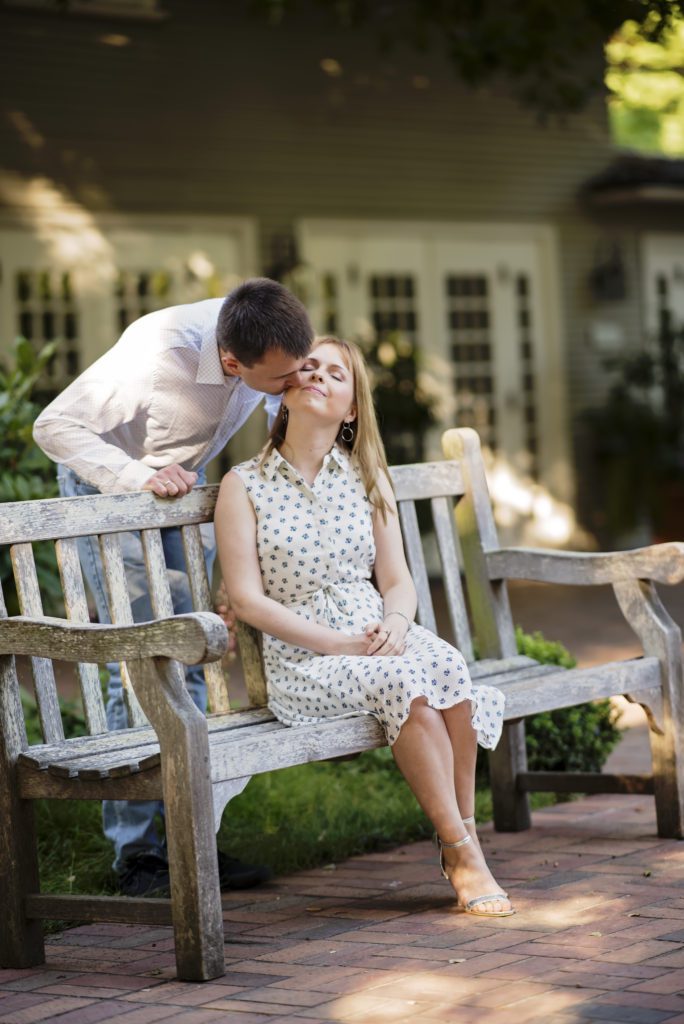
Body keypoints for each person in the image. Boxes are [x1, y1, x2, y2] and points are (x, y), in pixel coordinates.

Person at [33, 277, 314, 897]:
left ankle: (189, 838)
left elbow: (281, 412)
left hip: (182, 481)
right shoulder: (158, 356)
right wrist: (137, 477)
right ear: (232, 361)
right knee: (137, 660)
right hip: (113, 486)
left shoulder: (269, 339)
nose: (293, 385)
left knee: (186, 656)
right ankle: (136, 857)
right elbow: (54, 427)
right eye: (280, 379)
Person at [215, 336, 514, 918]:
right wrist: (339, 643)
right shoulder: (242, 485)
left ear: (351, 409)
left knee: (449, 666)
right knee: (403, 682)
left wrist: (397, 623)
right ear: (285, 391)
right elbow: (247, 602)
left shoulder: (366, 476)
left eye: (336, 373)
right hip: (304, 659)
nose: (318, 376)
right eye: (309, 367)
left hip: (377, 633)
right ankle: (460, 851)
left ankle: (464, 836)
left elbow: (398, 581)